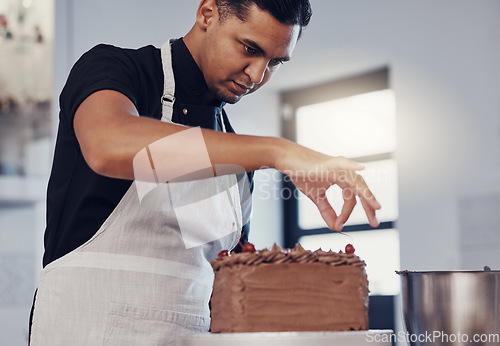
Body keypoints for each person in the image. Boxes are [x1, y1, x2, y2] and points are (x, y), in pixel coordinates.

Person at [29, 0, 381, 344]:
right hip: (83, 329)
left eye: (274, 62)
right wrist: (277, 151)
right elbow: (108, 144)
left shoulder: (233, 149)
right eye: (249, 48)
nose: (257, 75)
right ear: (207, 13)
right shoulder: (116, 68)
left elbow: (229, 282)